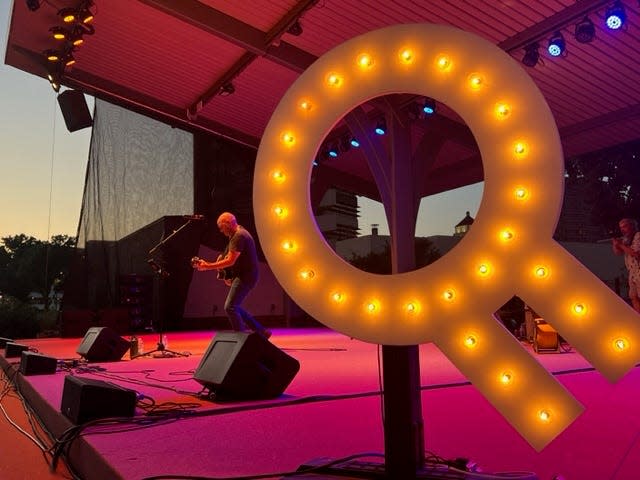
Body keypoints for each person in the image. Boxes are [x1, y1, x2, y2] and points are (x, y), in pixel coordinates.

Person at [192, 212, 271, 339]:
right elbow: (229, 258)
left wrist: (207, 266)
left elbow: (230, 261)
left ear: (227, 224)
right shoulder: (236, 233)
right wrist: (227, 275)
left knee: (230, 307)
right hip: (244, 275)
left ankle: (240, 339)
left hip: (246, 277)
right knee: (235, 306)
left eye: (221, 227)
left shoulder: (239, 236)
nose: (221, 231)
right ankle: (261, 331)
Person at [612, 218, 640, 314]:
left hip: (639, 270)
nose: (622, 229)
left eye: (625, 226)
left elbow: (636, 254)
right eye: (621, 227)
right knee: (633, 296)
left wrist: (621, 245)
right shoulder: (626, 239)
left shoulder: (638, 236)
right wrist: (616, 244)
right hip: (632, 272)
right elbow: (618, 253)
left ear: (632, 226)